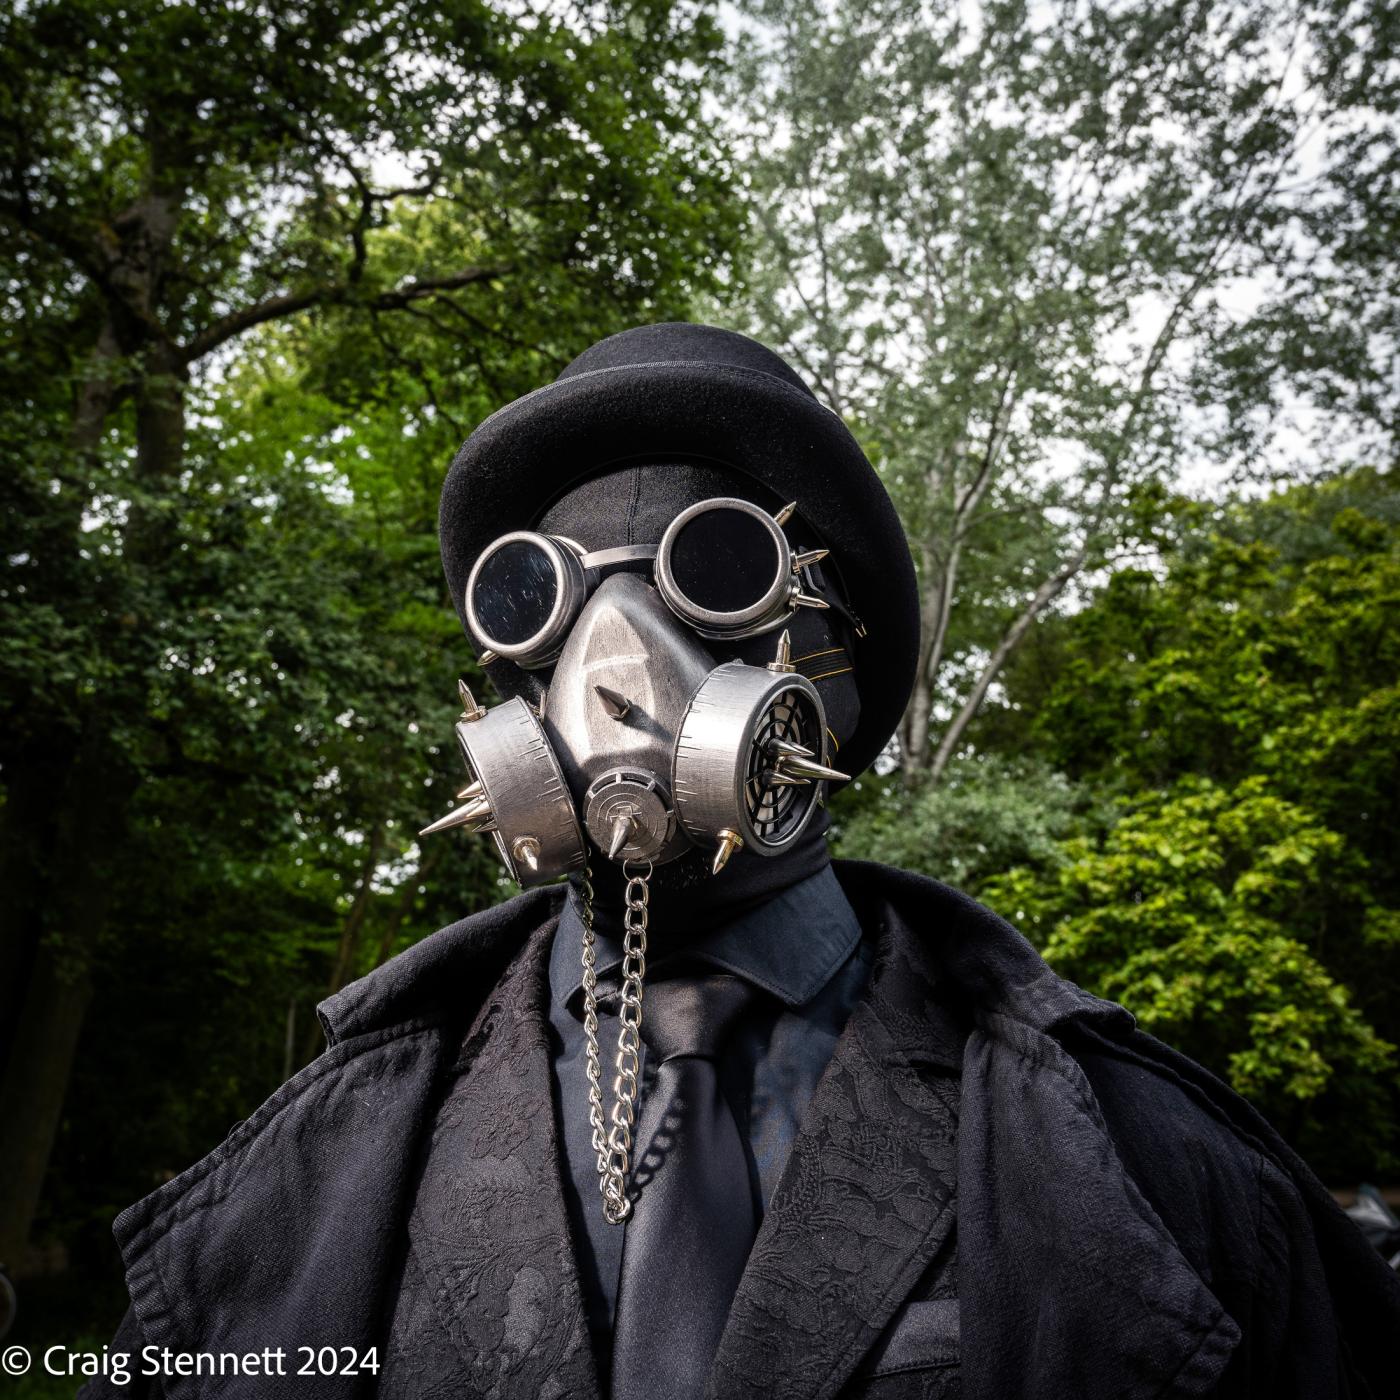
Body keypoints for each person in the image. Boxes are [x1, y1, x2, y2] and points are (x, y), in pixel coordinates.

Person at [86, 324, 1399, 1399]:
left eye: (710, 573)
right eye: (544, 600)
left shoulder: (1153, 1172)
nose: (611, 662)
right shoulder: (297, 1190)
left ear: (830, 675)